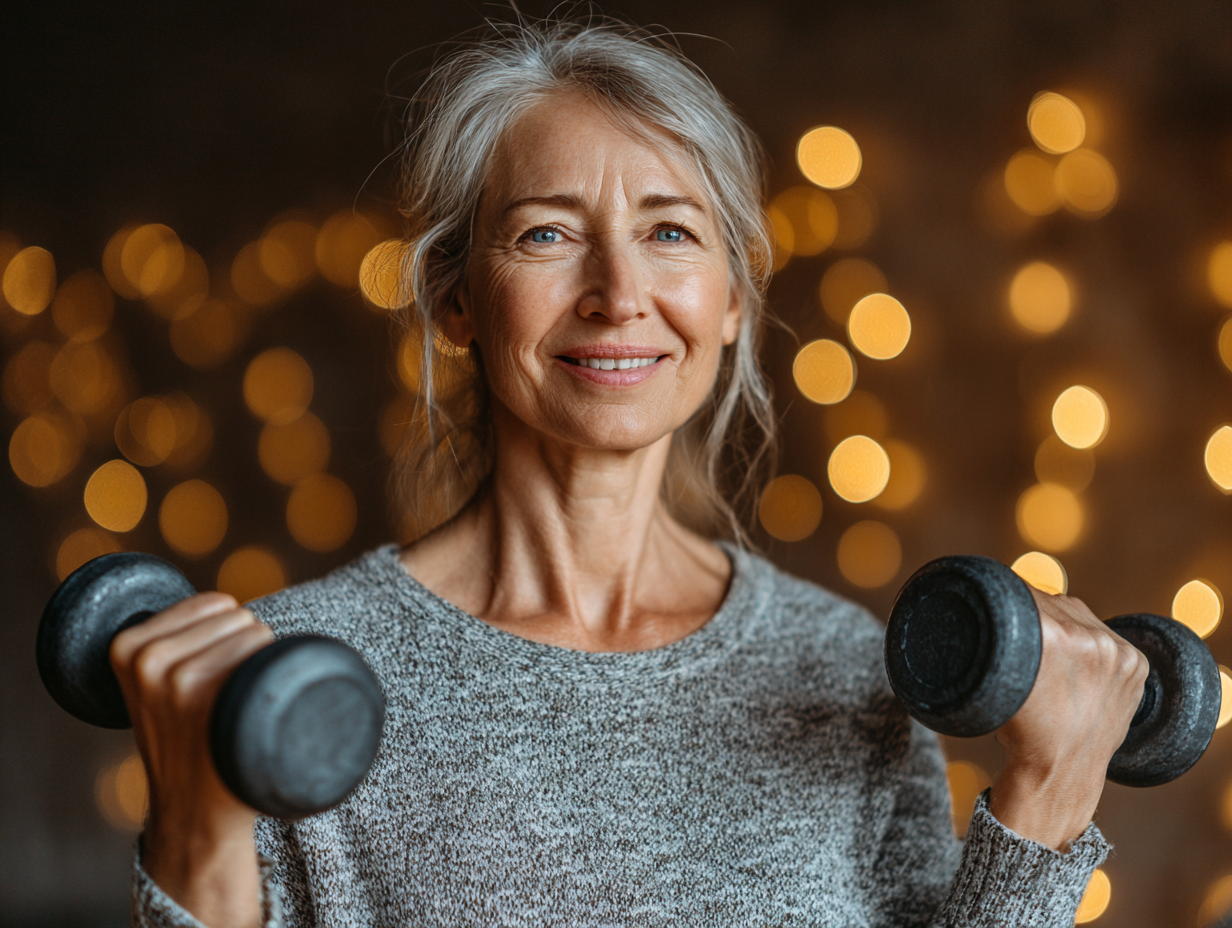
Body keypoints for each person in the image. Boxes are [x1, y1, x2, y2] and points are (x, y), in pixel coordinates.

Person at [114, 17, 1147, 928]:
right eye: (547, 234)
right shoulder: (289, 685)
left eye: (667, 232)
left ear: (732, 295)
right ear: (454, 297)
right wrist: (196, 832)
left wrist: (1048, 795)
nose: (618, 294)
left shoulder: (844, 670)